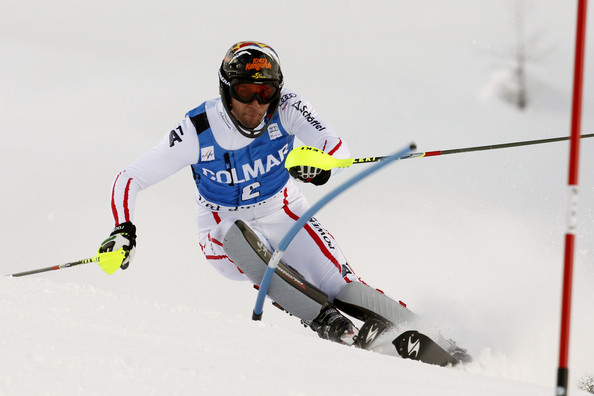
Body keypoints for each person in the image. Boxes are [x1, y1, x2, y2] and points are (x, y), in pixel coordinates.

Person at [99, 41, 414, 346]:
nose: (255, 104)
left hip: (282, 209)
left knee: (341, 285)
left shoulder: (288, 105)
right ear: (227, 90)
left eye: (264, 93)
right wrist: (123, 228)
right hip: (221, 223)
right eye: (245, 92)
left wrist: (323, 165)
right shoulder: (198, 129)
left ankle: (430, 334)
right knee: (236, 236)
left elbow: (336, 147)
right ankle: (327, 320)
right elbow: (131, 177)